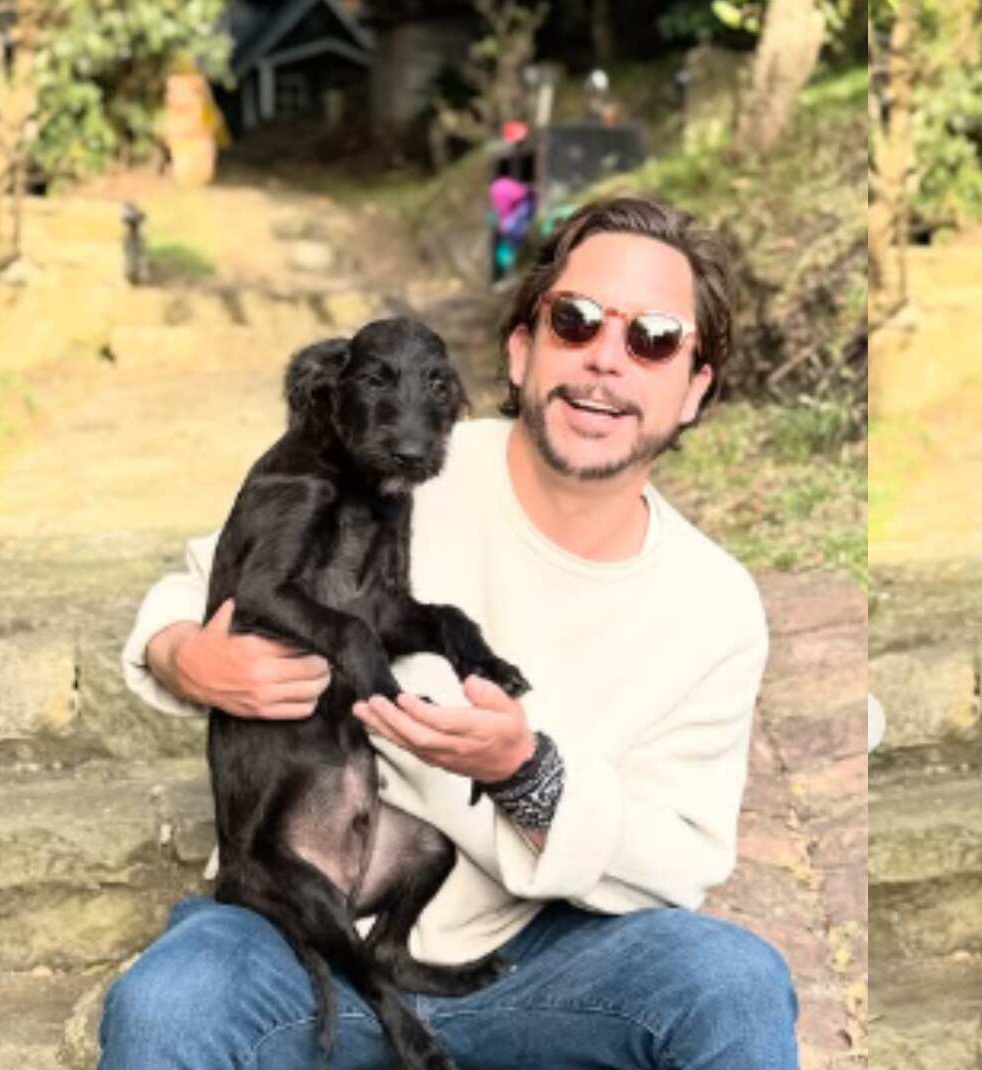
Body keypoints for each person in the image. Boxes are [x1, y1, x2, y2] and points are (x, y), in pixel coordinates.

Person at [102, 195, 799, 1069]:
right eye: (576, 321)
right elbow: (208, 577)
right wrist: (182, 655)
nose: (605, 359)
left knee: (734, 982)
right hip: (292, 929)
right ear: (521, 349)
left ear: (695, 387)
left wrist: (526, 773)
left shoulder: (715, 604)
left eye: (653, 338)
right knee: (167, 1007)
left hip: (540, 959)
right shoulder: (404, 456)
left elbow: (679, 860)